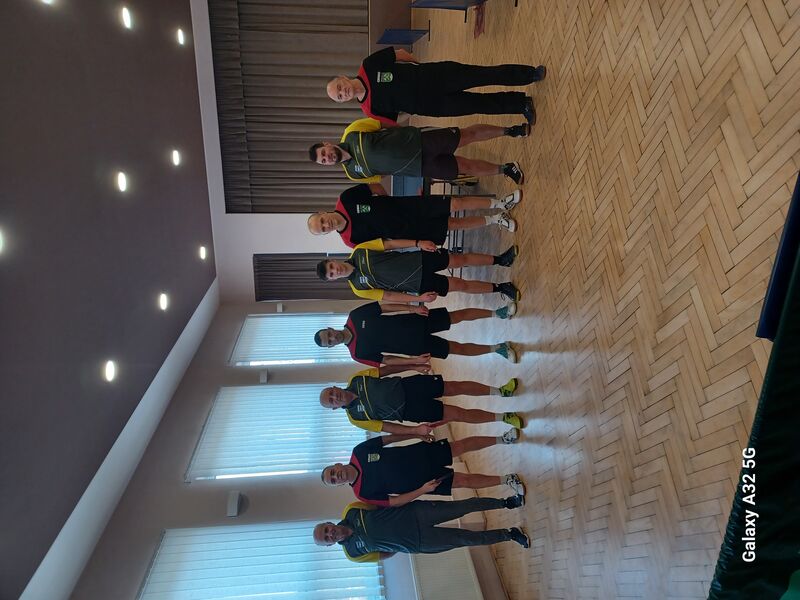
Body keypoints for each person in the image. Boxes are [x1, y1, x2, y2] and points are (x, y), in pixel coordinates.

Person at [325, 46, 546, 125]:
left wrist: (420, 68)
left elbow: (399, 54)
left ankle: (529, 74)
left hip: (437, 76)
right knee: (481, 105)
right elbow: (397, 119)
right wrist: (413, 107)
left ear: (343, 78)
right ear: (343, 101)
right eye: (340, 96)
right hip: (434, 105)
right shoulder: (369, 110)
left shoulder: (368, 65)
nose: (344, 92)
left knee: (484, 75)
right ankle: (521, 104)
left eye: (340, 87)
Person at [321, 434, 526, 507]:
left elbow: (388, 439)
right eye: (333, 480)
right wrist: (422, 490)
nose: (336, 476)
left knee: (460, 446)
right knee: (463, 480)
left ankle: (502, 438)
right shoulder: (362, 493)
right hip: (424, 482)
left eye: (332, 472)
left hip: (420, 454)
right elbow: (395, 501)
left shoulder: (358, 452)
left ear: (336, 464)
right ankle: (507, 480)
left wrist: (415, 433)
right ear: (338, 485)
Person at [308, 118, 527, 184]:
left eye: (324, 153)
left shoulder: (351, 132)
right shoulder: (353, 174)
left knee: (466, 135)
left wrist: (406, 135)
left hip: (420, 141)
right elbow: (381, 175)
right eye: (324, 161)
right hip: (421, 167)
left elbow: (382, 124)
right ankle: (505, 169)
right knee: (465, 167)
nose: (327, 158)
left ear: (326, 143)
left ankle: (510, 130)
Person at [313, 497, 531, 561]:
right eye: (327, 538)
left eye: (326, 529)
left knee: (463, 507)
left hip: (417, 513)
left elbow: (383, 504)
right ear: (330, 545)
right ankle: (510, 535)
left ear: (328, 523)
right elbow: (383, 554)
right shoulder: (353, 554)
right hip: (420, 542)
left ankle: (506, 503)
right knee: (467, 539)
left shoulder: (352, 511)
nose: (330, 534)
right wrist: (400, 543)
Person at [320, 367, 523, 433]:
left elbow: (385, 371)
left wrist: (413, 364)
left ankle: (500, 391)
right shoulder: (356, 418)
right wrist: (415, 431)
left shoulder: (356, 379)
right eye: (331, 401)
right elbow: (387, 427)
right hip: (411, 410)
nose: (334, 397)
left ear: (335, 387)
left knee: (456, 386)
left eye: (331, 392)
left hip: (410, 385)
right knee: (458, 414)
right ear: (334, 408)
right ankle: (504, 417)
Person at [307, 183, 522, 244]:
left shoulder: (345, 199)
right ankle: (496, 219)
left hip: (410, 206)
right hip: (409, 230)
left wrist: (390, 203)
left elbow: (375, 188)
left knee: (456, 203)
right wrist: (415, 243)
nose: (327, 225)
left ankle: (501, 203)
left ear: (323, 212)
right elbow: (386, 244)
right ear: (326, 233)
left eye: (322, 221)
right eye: (323, 229)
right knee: (453, 224)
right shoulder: (350, 240)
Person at [315, 239, 521, 303]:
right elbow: (389, 296)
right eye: (332, 274)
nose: (335, 271)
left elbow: (389, 244)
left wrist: (417, 242)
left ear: (332, 260)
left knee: (461, 259)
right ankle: (501, 288)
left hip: (419, 259)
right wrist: (418, 299)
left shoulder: (359, 251)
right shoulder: (358, 288)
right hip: (418, 284)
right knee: (461, 285)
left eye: (331, 267)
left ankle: (501, 260)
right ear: (333, 279)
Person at [314, 301, 520, 365]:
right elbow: (387, 360)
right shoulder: (357, 353)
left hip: (414, 321)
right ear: (331, 347)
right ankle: (498, 349)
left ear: (330, 329)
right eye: (329, 342)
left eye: (328, 335)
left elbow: (384, 307)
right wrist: (413, 362)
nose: (332, 338)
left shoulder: (355, 316)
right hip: (414, 347)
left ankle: (498, 313)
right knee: (457, 349)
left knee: (458, 316)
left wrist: (413, 308)